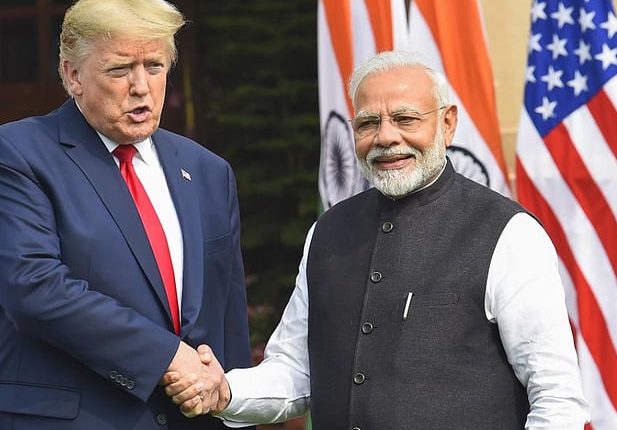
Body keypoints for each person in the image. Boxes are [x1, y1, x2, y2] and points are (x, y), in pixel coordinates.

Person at [166, 50, 590, 429]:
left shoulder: (508, 233)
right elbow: (296, 370)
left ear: (447, 123)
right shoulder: (328, 232)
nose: (386, 137)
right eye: (368, 123)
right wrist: (225, 391)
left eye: (406, 119)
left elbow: (557, 398)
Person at [0, 0, 252, 428]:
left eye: (154, 66)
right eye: (120, 69)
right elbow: (35, 288)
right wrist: (167, 357)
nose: (141, 87)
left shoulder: (208, 172)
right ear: (72, 74)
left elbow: (227, 317)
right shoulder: (13, 155)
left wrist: (230, 403)